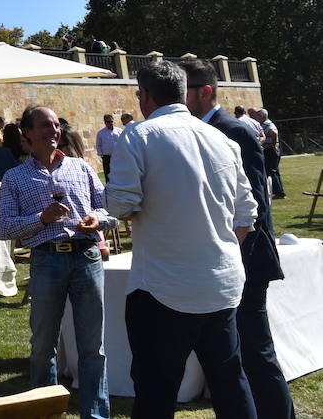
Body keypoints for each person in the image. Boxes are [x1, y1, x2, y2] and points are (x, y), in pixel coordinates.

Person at [105, 61, 258, 418]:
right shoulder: (221, 138)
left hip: (164, 287)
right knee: (230, 382)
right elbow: (247, 214)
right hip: (220, 283)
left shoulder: (139, 134)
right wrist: (216, 246)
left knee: (156, 389)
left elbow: (121, 203)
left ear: (144, 96)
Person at [183, 61, 293, 419]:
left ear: (205, 91)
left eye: (184, 89)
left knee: (256, 352)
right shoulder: (200, 131)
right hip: (223, 261)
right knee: (237, 356)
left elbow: (255, 203)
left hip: (247, 259)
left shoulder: (234, 131)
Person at [0, 107, 114, 419]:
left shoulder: (81, 167)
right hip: (47, 259)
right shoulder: (15, 177)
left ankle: (95, 414)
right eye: (45, 126)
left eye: (56, 126)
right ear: (28, 135)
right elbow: (4, 228)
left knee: (92, 345)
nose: (54, 131)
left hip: (86, 256)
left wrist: (96, 220)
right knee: (43, 345)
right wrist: (41, 218)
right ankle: (46, 413)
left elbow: (109, 211)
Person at [254, 108, 285, 199]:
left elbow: (273, 133)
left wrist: (274, 145)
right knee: (274, 171)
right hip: (270, 150)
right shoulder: (264, 123)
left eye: (257, 115)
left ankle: (278, 193)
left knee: (271, 172)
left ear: (262, 116)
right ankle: (279, 192)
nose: (256, 117)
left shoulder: (267, 124)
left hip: (270, 150)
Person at [94, 114, 121, 180]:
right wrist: (101, 155)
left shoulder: (119, 131)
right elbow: (98, 145)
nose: (110, 123)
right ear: (105, 123)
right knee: (108, 173)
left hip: (118, 155)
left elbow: (123, 142)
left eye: (111, 121)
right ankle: (109, 188)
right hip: (107, 157)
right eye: (108, 122)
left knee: (119, 172)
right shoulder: (101, 133)